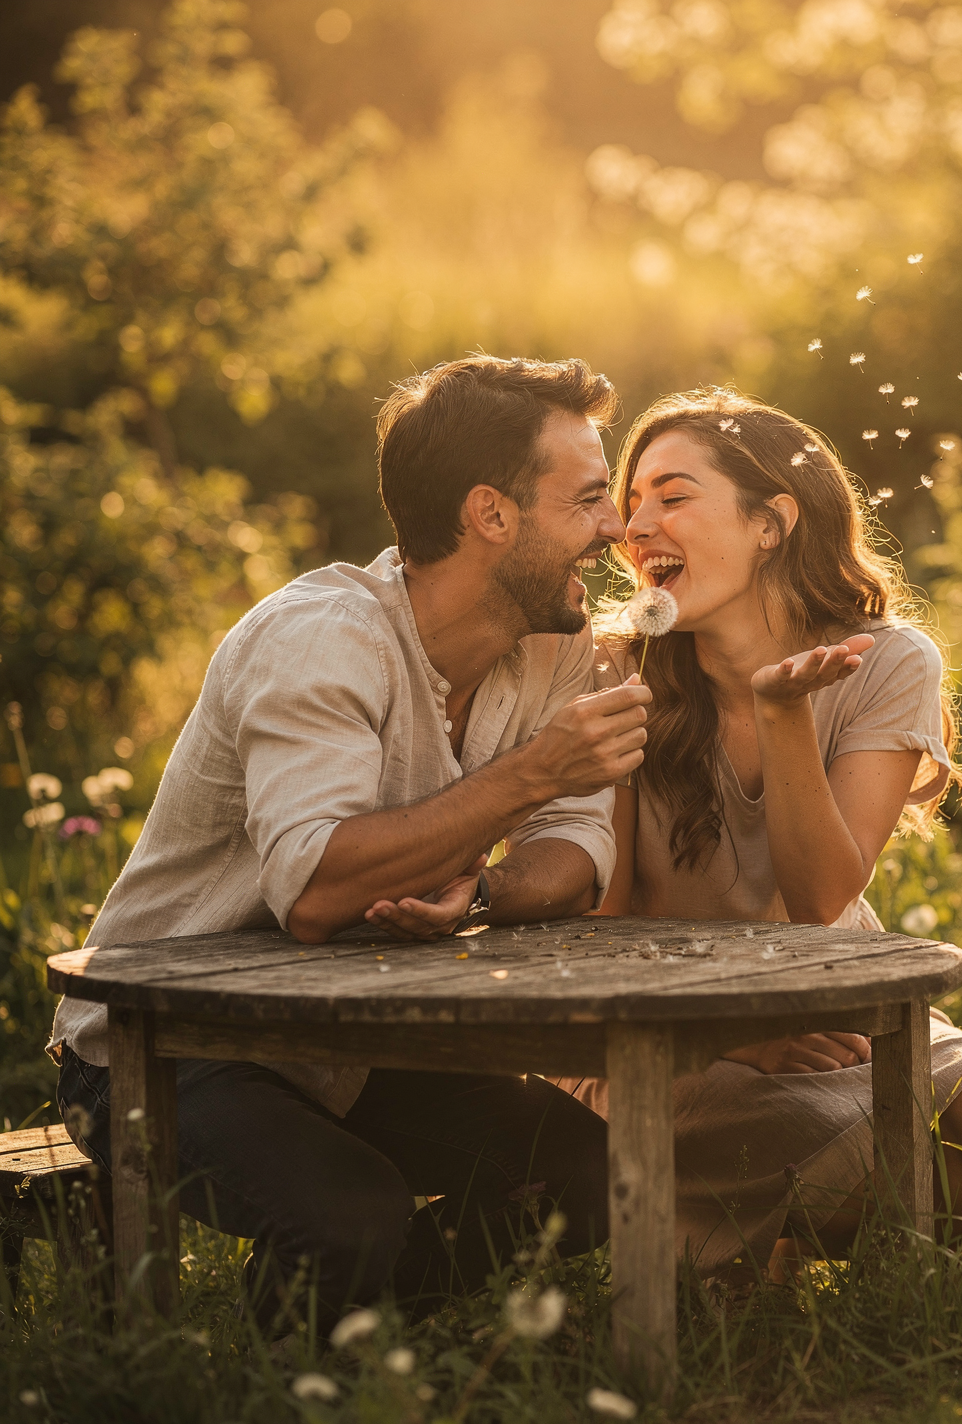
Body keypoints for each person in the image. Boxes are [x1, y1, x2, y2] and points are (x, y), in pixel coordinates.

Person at [50, 355, 653, 1332]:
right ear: (490, 515)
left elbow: (577, 849)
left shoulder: (555, 645)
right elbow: (319, 890)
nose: (615, 529)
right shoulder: (319, 638)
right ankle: (299, 1361)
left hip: (355, 1045)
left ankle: (359, 1328)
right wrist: (536, 769)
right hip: (164, 1045)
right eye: (588, 499)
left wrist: (489, 893)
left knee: (596, 1169)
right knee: (353, 1212)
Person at [554, 388, 962, 1275]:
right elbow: (601, 922)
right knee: (837, 1161)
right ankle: (744, 1262)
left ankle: (917, 1318)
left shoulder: (886, 659)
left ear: (772, 522)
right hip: (653, 1034)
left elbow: (826, 898)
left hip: (829, 1015)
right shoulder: (613, 665)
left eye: (671, 496)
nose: (635, 529)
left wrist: (782, 714)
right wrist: (732, 1034)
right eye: (631, 504)